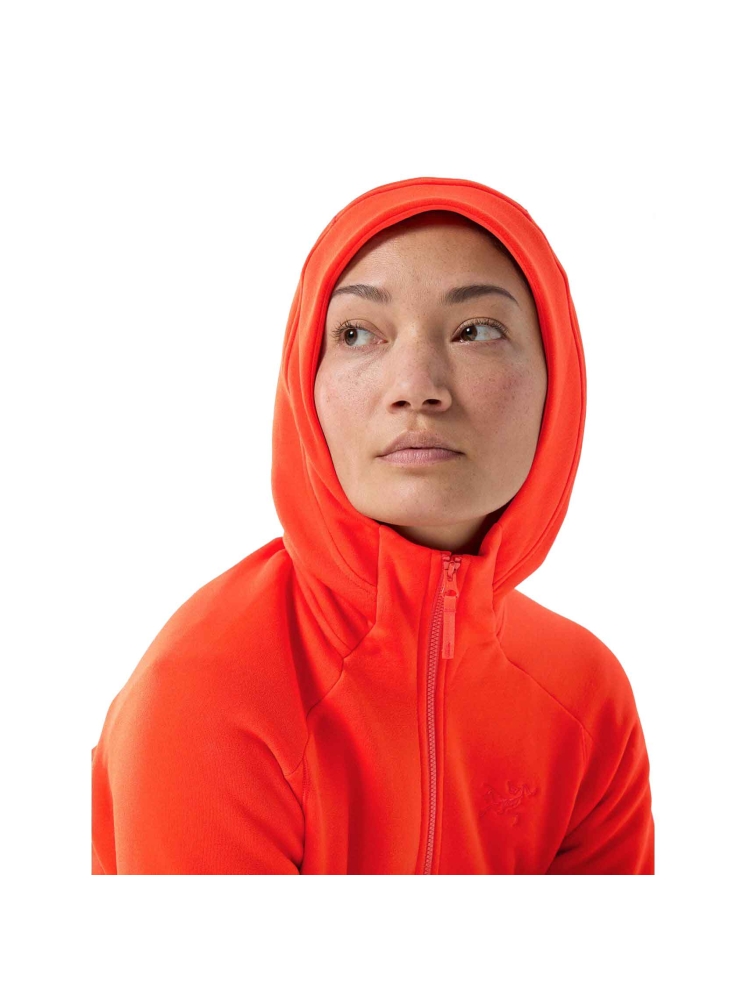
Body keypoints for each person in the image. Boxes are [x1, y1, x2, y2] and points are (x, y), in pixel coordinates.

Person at [91, 176, 655, 874]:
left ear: (557, 377)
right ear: (305, 380)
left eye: (476, 330)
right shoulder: (208, 692)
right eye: (357, 334)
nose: (416, 386)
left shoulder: (586, 698)